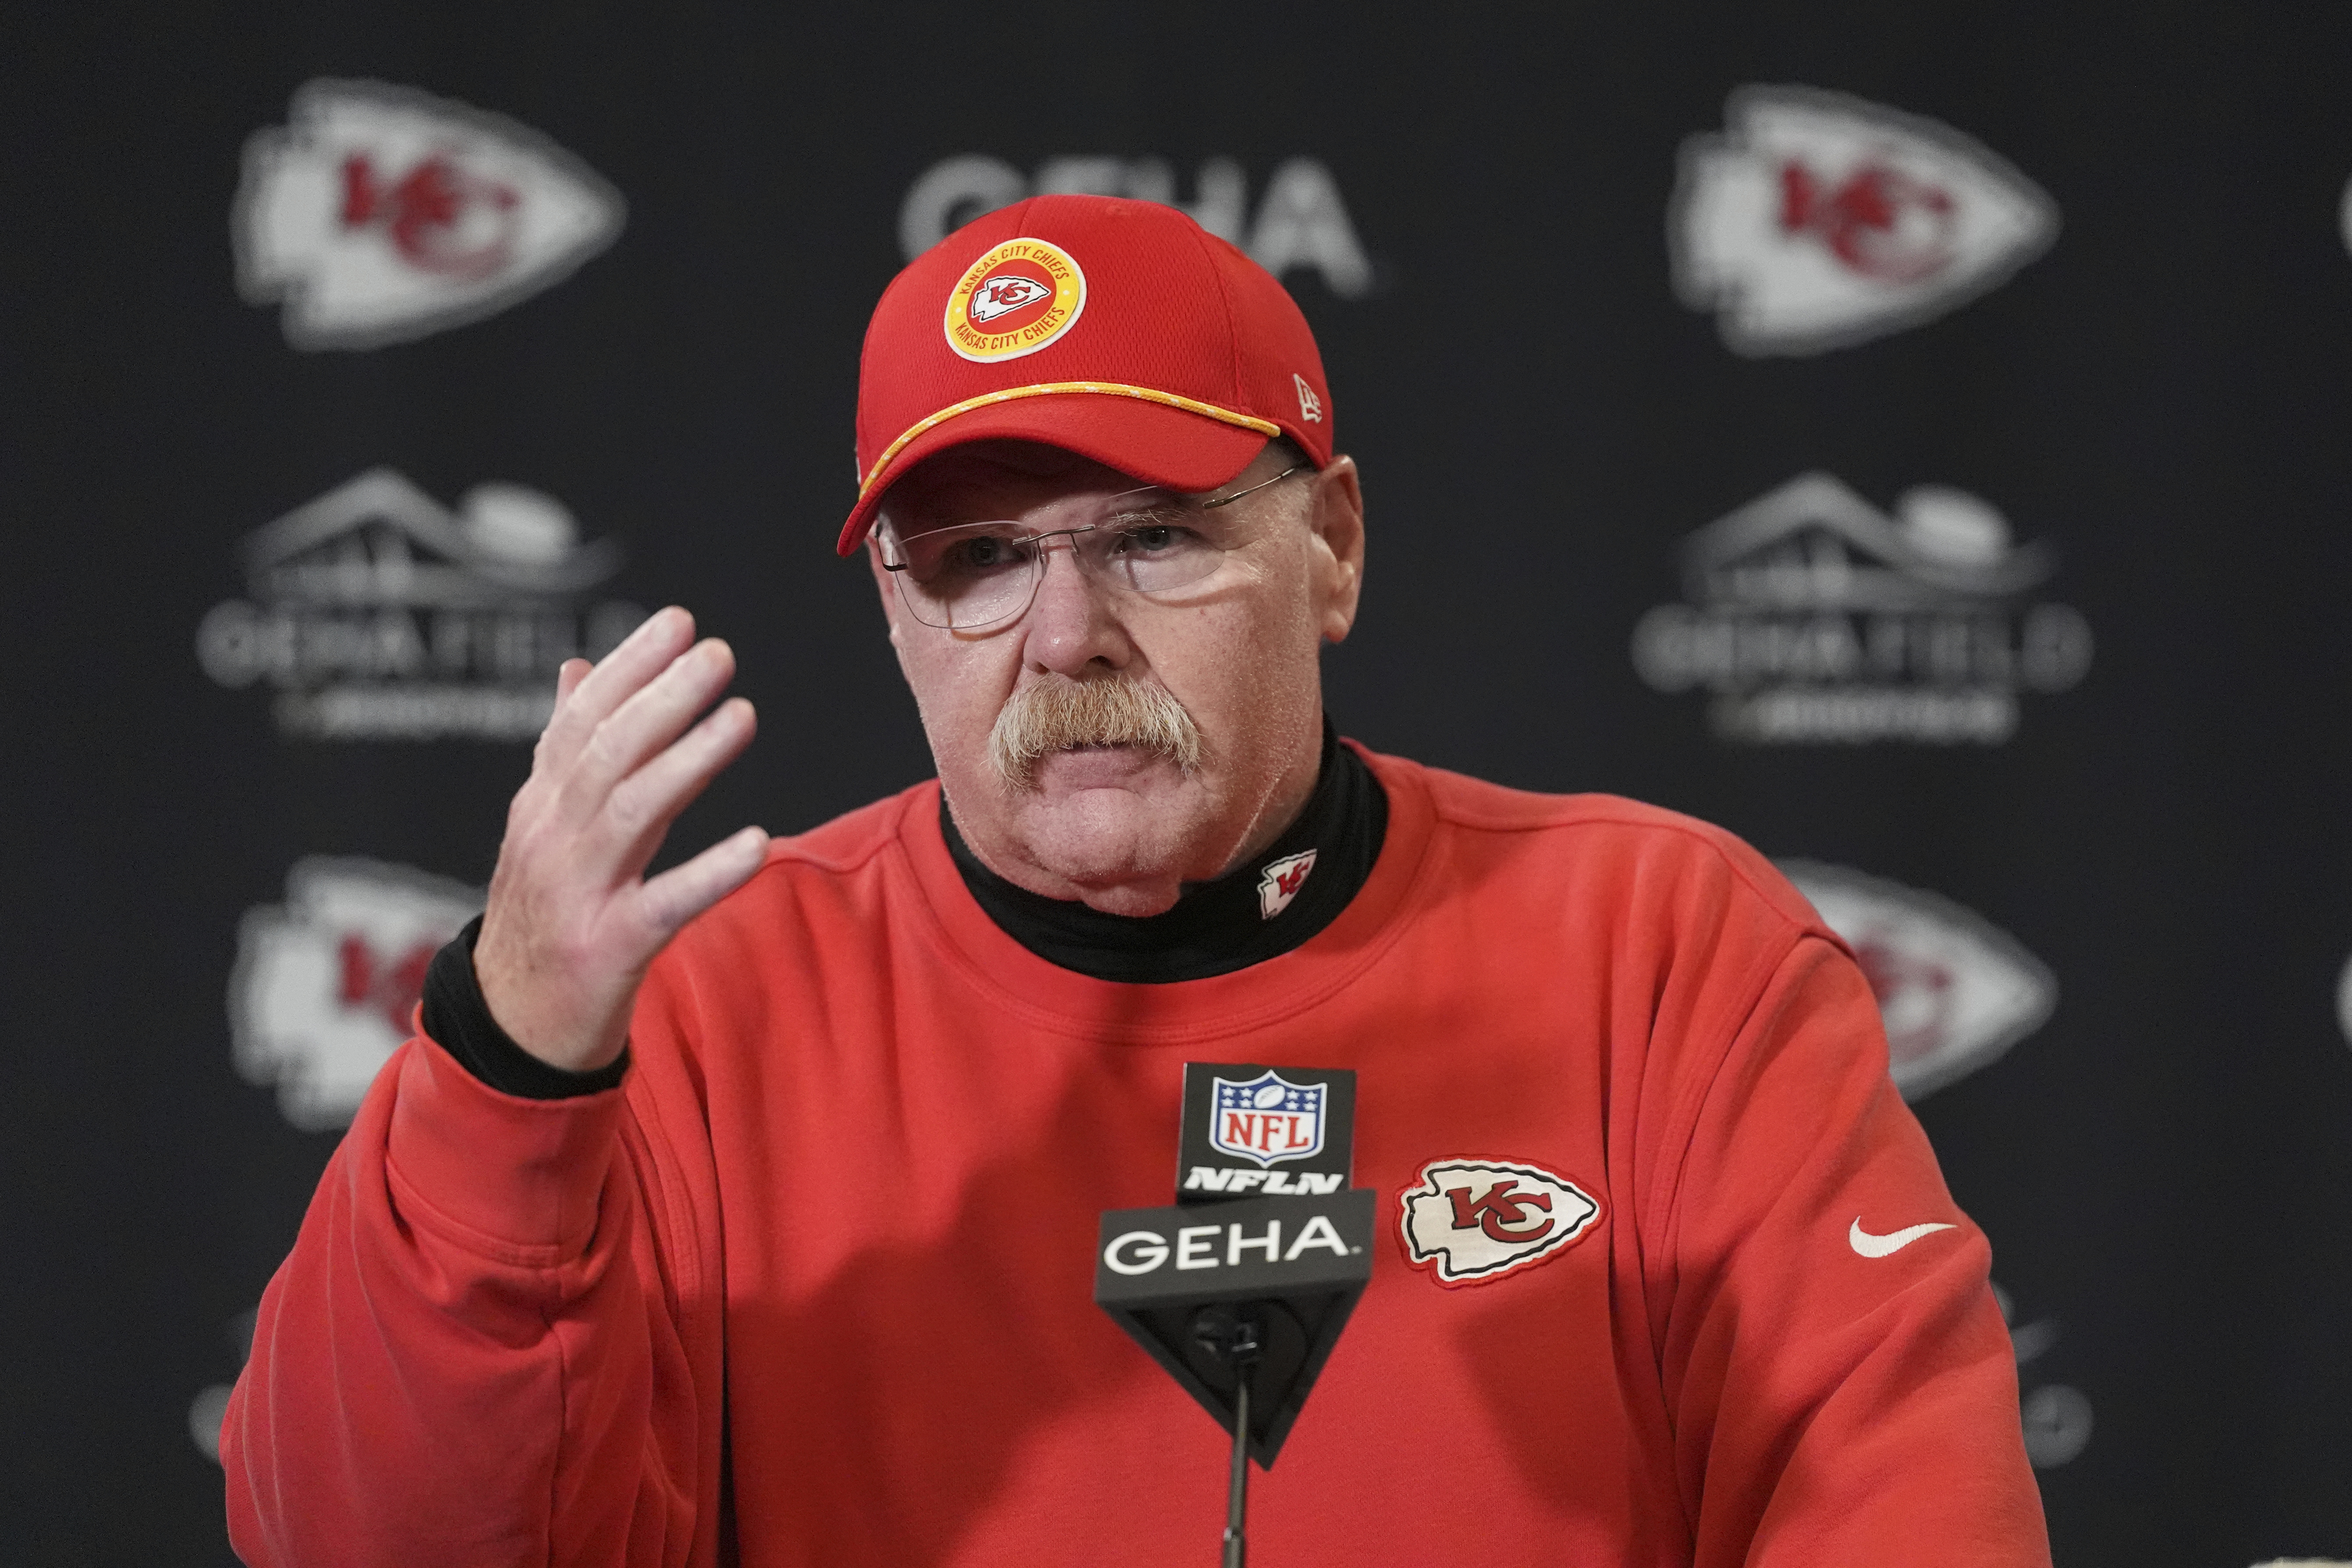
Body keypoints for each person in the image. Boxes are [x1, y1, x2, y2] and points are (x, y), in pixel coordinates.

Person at [222, 194, 2051, 1567]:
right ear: (894, 610)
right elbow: (357, 1541)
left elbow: (1908, 1510)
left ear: (1330, 547)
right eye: (980, 560)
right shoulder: (702, 1008)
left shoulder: (1661, 952)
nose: (1065, 636)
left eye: (1155, 539)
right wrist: (510, 1057)